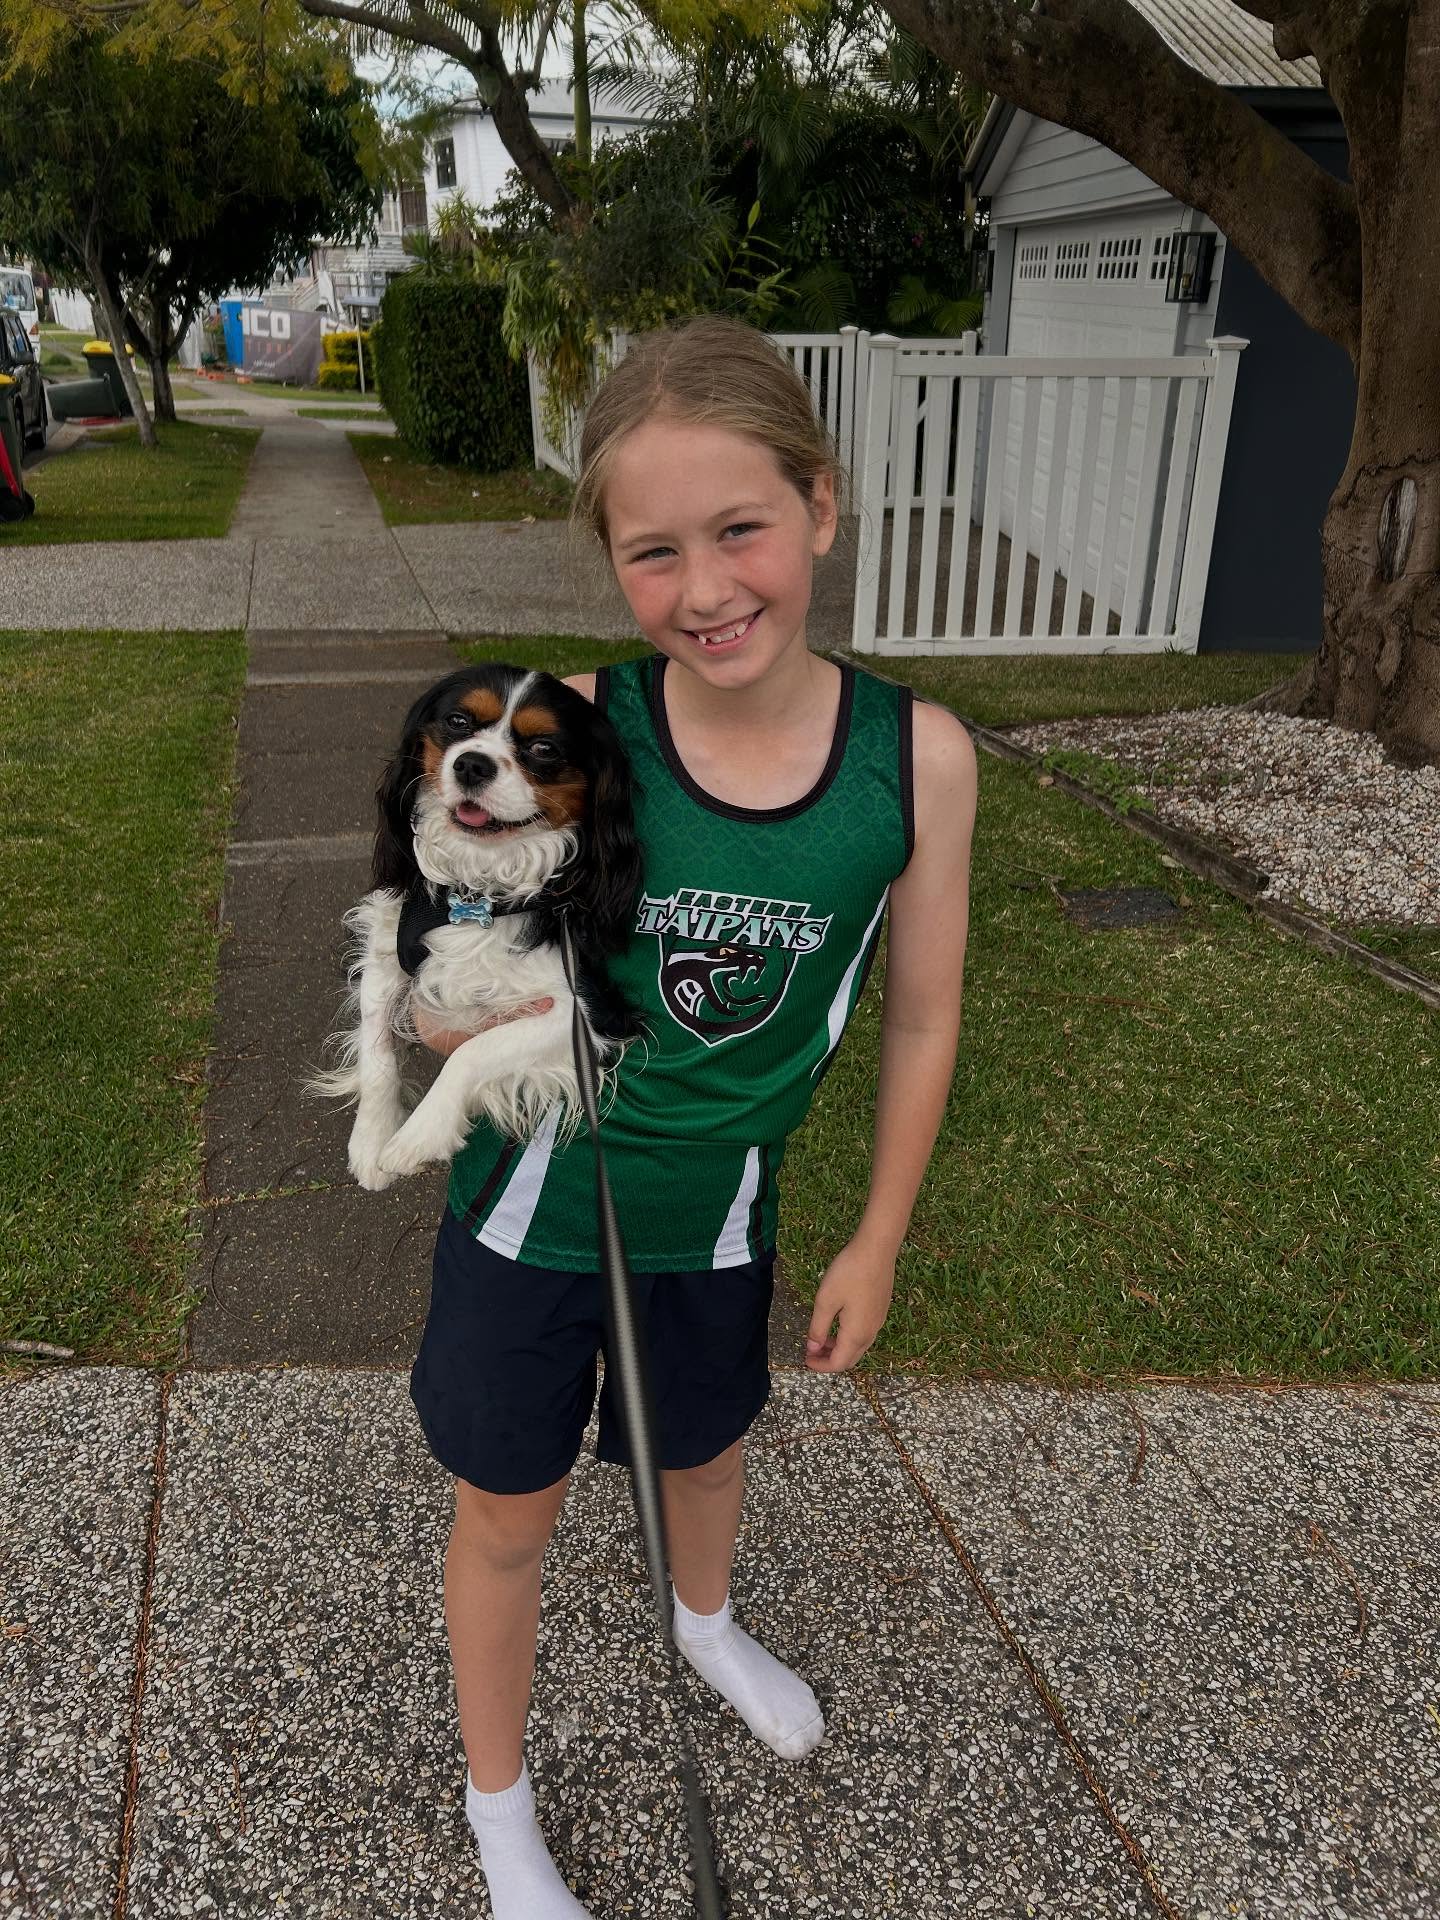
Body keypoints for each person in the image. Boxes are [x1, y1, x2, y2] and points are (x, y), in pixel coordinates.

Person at [408, 314, 978, 1917]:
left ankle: (705, 1622)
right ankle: (500, 1810)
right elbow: (441, 945)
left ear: (821, 505)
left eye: (741, 530)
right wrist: (459, 1004)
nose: (707, 588)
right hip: (534, 1212)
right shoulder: (572, 729)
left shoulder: (917, 760)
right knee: (506, 1511)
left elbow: (922, 1012)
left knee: (706, 1454)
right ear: (612, 563)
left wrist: (878, 1234)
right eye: (654, 553)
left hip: (720, 1213)